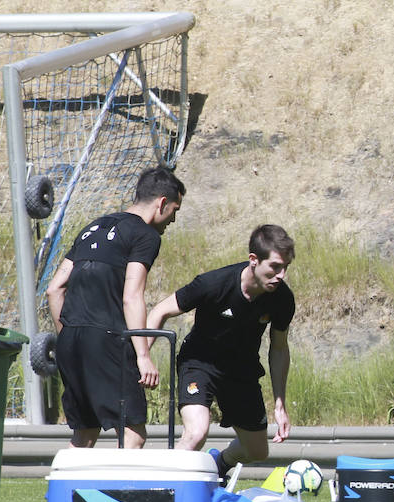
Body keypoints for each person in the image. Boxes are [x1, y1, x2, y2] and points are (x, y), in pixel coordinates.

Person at [46, 166, 185, 449]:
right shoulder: (146, 236)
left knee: (84, 433)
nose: (173, 218)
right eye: (175, 209)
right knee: (133, 433)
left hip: (70, 341)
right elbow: (132, 296)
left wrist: (69, 334)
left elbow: (54, 289)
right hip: (108, 340)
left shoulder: (92, 228)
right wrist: (143, 355)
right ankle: (118, 495)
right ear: (162, 203)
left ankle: (61, 493)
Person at [147, 224, 295, 483]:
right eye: (274, 267)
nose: (281, 275)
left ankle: (219, 462)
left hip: (242, 371)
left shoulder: (282, 299)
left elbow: (279, 347)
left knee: (257, 451)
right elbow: (160, 311)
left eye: (285, 267)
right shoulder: (213, 284)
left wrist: (280, 402)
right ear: (253, 260)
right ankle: (160, 491)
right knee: (195, 433)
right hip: (199, 363)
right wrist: (141, 356)